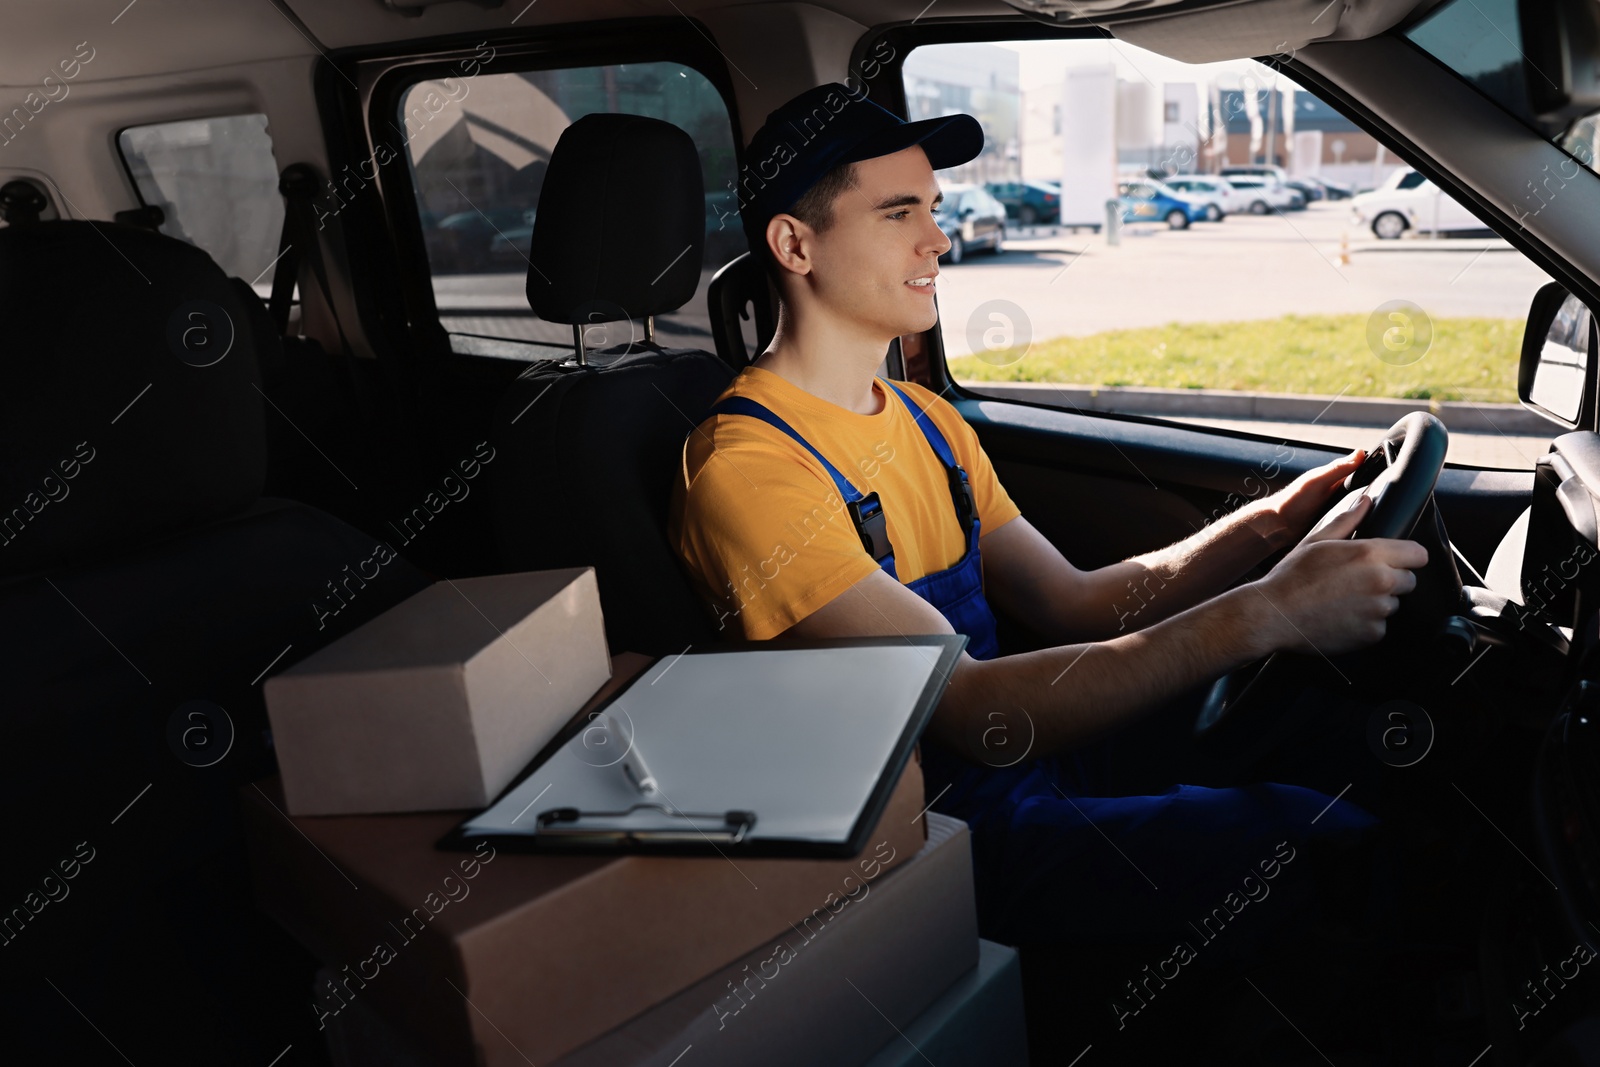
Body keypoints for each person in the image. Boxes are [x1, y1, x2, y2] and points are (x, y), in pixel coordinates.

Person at [666, 84, 1429, 953]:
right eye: (899, 212)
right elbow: (968, 711)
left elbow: (1073, 603)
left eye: (936, 209)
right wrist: (1266, 613)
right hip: (934, 834)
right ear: (794, 243)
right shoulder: (749, 468)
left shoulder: (928, 421)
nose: (940, 239)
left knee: (1348, 749)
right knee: (1317, 841)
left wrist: (1263, 531)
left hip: (1028, 762)